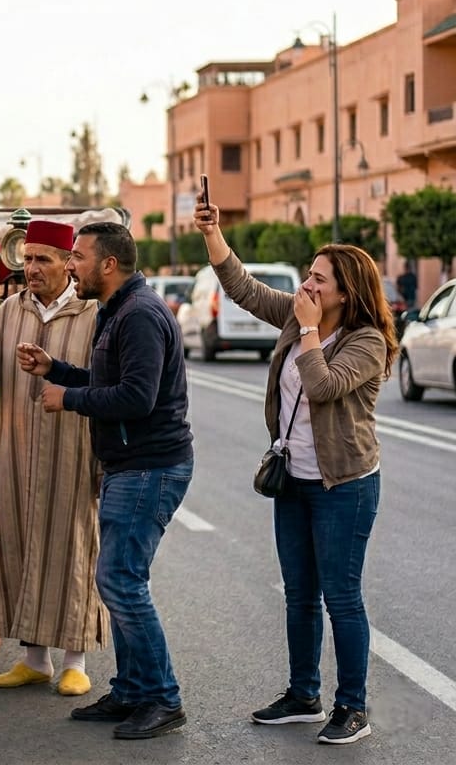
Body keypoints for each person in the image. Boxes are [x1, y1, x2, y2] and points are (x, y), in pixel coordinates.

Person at [194, 197, 395, 745]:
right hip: (294, 481)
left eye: (319, 280)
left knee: (341, 596)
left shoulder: (367, 342)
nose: (307, 286)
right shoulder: (297, 312)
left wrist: (308, 332)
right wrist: (214, 233)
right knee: (299, 593)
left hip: (344, 486)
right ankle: (303, 694)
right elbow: (241, 287)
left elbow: (323, 385)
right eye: (307, 276)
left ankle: (352, 706)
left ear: (345, 293)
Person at [17, 221, 194, 740]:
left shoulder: (139, 315)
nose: (71, 265)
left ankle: (162, 697)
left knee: (121, 582)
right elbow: (109, 381)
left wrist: (66, 398)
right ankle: (133, 690)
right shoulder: (117, 310)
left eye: (77, 256)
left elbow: (136, 398)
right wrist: (59, 370)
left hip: (150, 468)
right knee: (118, 582)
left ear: (108, 264)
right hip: (130, 466)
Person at [0, 219, 107, 698]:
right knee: (19, 546)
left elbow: (105, 382)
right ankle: (34, 660)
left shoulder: (94, 314)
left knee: (74, 549)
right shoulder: (8, 311)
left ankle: (75, 662)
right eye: (28, 259)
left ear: (68, 262)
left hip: (75, 447)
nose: (33, 268)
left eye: (44, 259)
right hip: (17, 450)